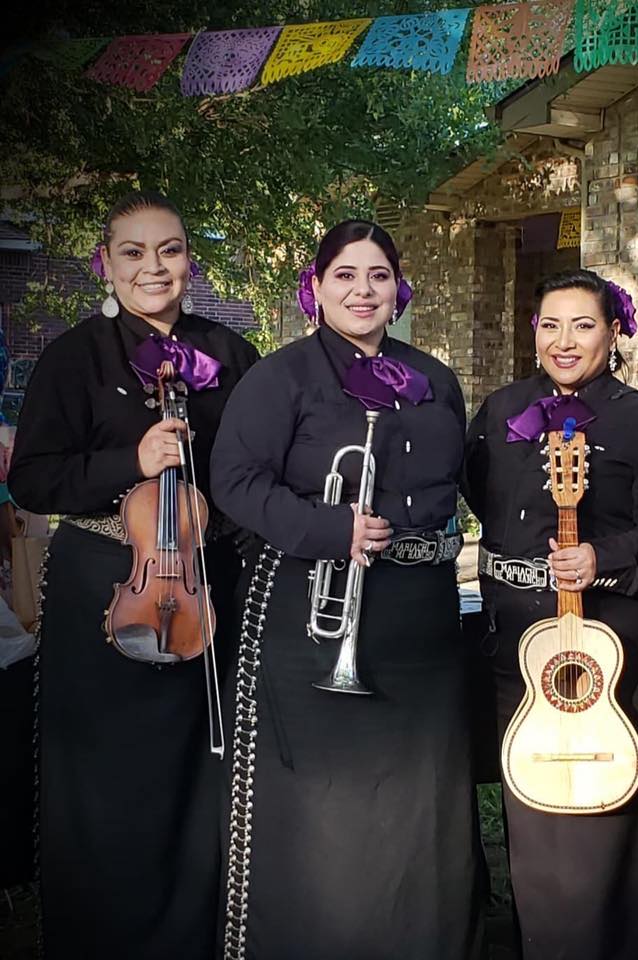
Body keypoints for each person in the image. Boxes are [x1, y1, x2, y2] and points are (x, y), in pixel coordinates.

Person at [210, 220, 484, 960]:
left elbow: (465, 483)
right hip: (312, 617)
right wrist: (330, 529)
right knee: (323, 818)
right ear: (317, 287)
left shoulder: (436, 379)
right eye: (345, 276)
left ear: (399, 289)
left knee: (419, 807)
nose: (363, 291)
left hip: (420, 621)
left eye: (378, 276)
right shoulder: (283, 376)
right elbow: (233, 480)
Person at [7, 190, 260, 958]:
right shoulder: (74, 356)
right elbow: (35, 480)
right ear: (105, 264)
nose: (154, 267)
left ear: (189, 261)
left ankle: (195, 937)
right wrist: (132, 460)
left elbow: (257, 469)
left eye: (169, 250)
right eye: (133, 252)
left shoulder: (229, 352)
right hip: (105, 587)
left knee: (199, 767)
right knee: (110, 775)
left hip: (206, 587)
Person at [462, 268, 638, 960]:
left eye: (584, 325)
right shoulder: (501, 411)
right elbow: (476, 491)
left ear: (614, 332)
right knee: (537, 818)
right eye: (551, 325)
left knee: (616, 811)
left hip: (618, 649)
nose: (564, 341)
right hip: (519, 648)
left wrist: (605, 556)